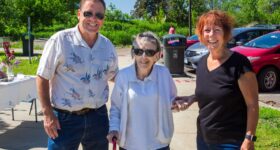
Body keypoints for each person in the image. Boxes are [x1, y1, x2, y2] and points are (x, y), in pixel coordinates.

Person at [36, 0, 118, 149]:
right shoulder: (60, 40)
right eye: (88, 13)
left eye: (99, 15)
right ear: (79, 14)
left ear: (103, 19)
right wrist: (47, 114)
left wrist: (142, 79)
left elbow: (114, 75)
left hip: (98, 118)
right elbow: (42, 76)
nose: (93, 19)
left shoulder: (107, 46)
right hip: (64, 120)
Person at [174, 10, 259, 150]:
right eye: (207, 30)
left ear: (225, 34)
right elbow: (212, 90)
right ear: (201, 34)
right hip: (203, 138)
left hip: (230, 142)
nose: (211, 35)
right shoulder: (201, 63)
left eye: (217, 30)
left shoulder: (239, 64)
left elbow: (253, 105)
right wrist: (192, 98)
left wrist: (249, 138)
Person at [107, 31, 177, 150]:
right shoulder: (123, 76)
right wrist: (114, 129)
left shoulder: (164, 73)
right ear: (133, 53)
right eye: (139, 51)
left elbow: (171, 101)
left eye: (149, 52)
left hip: (159, 144)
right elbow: (116, 108)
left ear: (157, 55)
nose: (143, 57)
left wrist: (177, 104)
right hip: (129, 145)